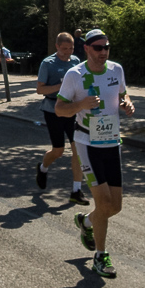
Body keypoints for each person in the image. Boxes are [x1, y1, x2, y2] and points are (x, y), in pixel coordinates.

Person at [55, 28, 135, 279]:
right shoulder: (74, 75)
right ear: (86, 49)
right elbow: (59, 110)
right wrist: (80, 105)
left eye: (106, 47)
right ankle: (101, 256)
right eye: (98, 48)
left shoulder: (116, 70)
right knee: (104, 203)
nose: (103, 52)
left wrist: (127, 104)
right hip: (86, 144)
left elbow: (123, 94)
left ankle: (86, 222)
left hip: (112, 142)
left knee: (116, 206)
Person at [35, 32, 88, 205]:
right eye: (64, 49)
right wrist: (61, 86)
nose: (68, 52)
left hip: (73, 110)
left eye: (71, 48)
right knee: (58, 151)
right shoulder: (48, 64)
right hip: (53, 110)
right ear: (57, 47)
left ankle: (76, 190)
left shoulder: (75, 62)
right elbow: (40, 90)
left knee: (77, 149)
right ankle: (43, 168)